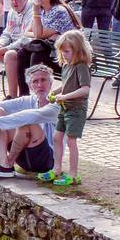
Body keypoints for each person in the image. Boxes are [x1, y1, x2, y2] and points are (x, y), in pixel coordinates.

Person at [0, 65, 59, 178]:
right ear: (30, 86)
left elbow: (32, 115)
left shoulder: (57, 105)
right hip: (24, 158)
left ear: (51, 84)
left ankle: (8, 165)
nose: (40, 85)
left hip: (46, 161)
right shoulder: (29, 100)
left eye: (43, 80)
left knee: (28, 122)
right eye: (35, 81)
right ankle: (3, 163)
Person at [38, 30, 92, 187]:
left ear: (77, 50)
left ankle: (73, 175)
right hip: (64, 107)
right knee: (56, 137)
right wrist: (55, 93)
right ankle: (57, 169)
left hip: (76, 109)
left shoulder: (81, 67)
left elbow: (85, 89)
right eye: (62, 51)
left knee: (71, 140)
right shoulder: (67, 66)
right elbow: (66, 85)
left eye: (67, 51)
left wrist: (65, 97)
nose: (64, 54)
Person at [8, 0, 79, 92]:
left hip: (65, 56)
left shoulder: (58, 11)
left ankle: (37, 96)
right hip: (50, 50)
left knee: (37, 55)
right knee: (22, 53)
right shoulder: (42, 11)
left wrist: (36, 17)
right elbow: (27, 32)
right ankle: (24, 95)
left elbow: (38, 34)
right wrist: (42, 35)